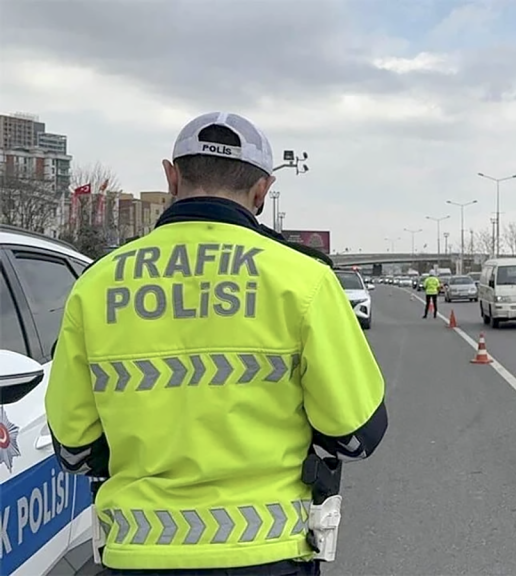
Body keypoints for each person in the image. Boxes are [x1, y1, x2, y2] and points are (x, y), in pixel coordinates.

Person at [45, 112, 388, 576]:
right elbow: (357, 434)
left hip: (137, 552)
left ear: (171, 177)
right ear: (262, 190)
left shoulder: (97, 283)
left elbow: (74, 446)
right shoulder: (304, 279)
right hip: (268, 552)